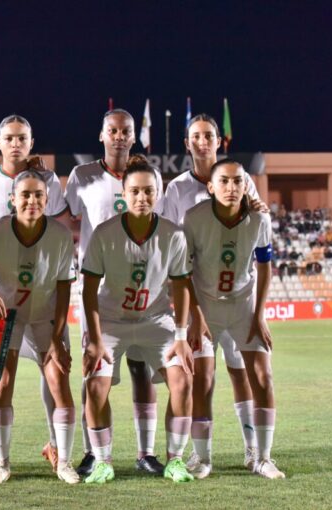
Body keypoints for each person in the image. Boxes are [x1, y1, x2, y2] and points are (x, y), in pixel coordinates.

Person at [0, 114, 70, 475]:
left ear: (31, 142)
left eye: (22, 138)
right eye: (9, 138)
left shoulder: (48, 180)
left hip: (42, 297)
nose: (15, 144)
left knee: (52, 373)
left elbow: (59, 225)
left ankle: (56, 446)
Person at [64, 109, 166, 477]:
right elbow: (65, 216)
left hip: (141, 289)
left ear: (134, 137)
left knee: (142, 371)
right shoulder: (82, 176)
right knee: (94, 373)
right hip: (99, 291)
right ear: (101, 135)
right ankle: (93, 452)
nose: (119, 136)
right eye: (113, 130)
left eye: (125, 131)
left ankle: (146, 453)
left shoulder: (150, 176)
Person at [81, 159, 195, 484]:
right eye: (135, 191)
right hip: (111, 321)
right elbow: (88, 289)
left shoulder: (173, 234)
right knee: (95, 387)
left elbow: (181, 286)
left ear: (158, 193)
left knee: (182, 381)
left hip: (155, 319)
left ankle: (175, 460)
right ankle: (102, 461)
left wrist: (181, 336)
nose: (142, 197)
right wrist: (95, 338)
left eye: (148, 191)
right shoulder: (105, 233)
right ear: (124, 193)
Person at [162, 114, 263, 478]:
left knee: (241, 374)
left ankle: (253, 451)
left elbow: (258, 222)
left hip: (238, 295)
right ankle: (201, 454)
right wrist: (185, 308)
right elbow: (173, 246)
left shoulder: (242, 178)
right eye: (196, 136)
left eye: (208, 135)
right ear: (187, 143)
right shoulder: (176, 190)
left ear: (219, 141)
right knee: (201, 378)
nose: (202, 142)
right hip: (199, 299)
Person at [184, 159, 285, 479]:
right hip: (206, 307)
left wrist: (259, 315)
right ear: (210, 187)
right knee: (202, 380)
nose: (231, 187)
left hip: (244, 306)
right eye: (224, 181)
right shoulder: (194, 218)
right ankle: (202, 458)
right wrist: (195, 316)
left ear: (246, 185)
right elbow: (183, 272)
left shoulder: (260, 219)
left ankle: (262, 457)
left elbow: (265, 268)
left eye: (237, 181)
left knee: (263, 376)